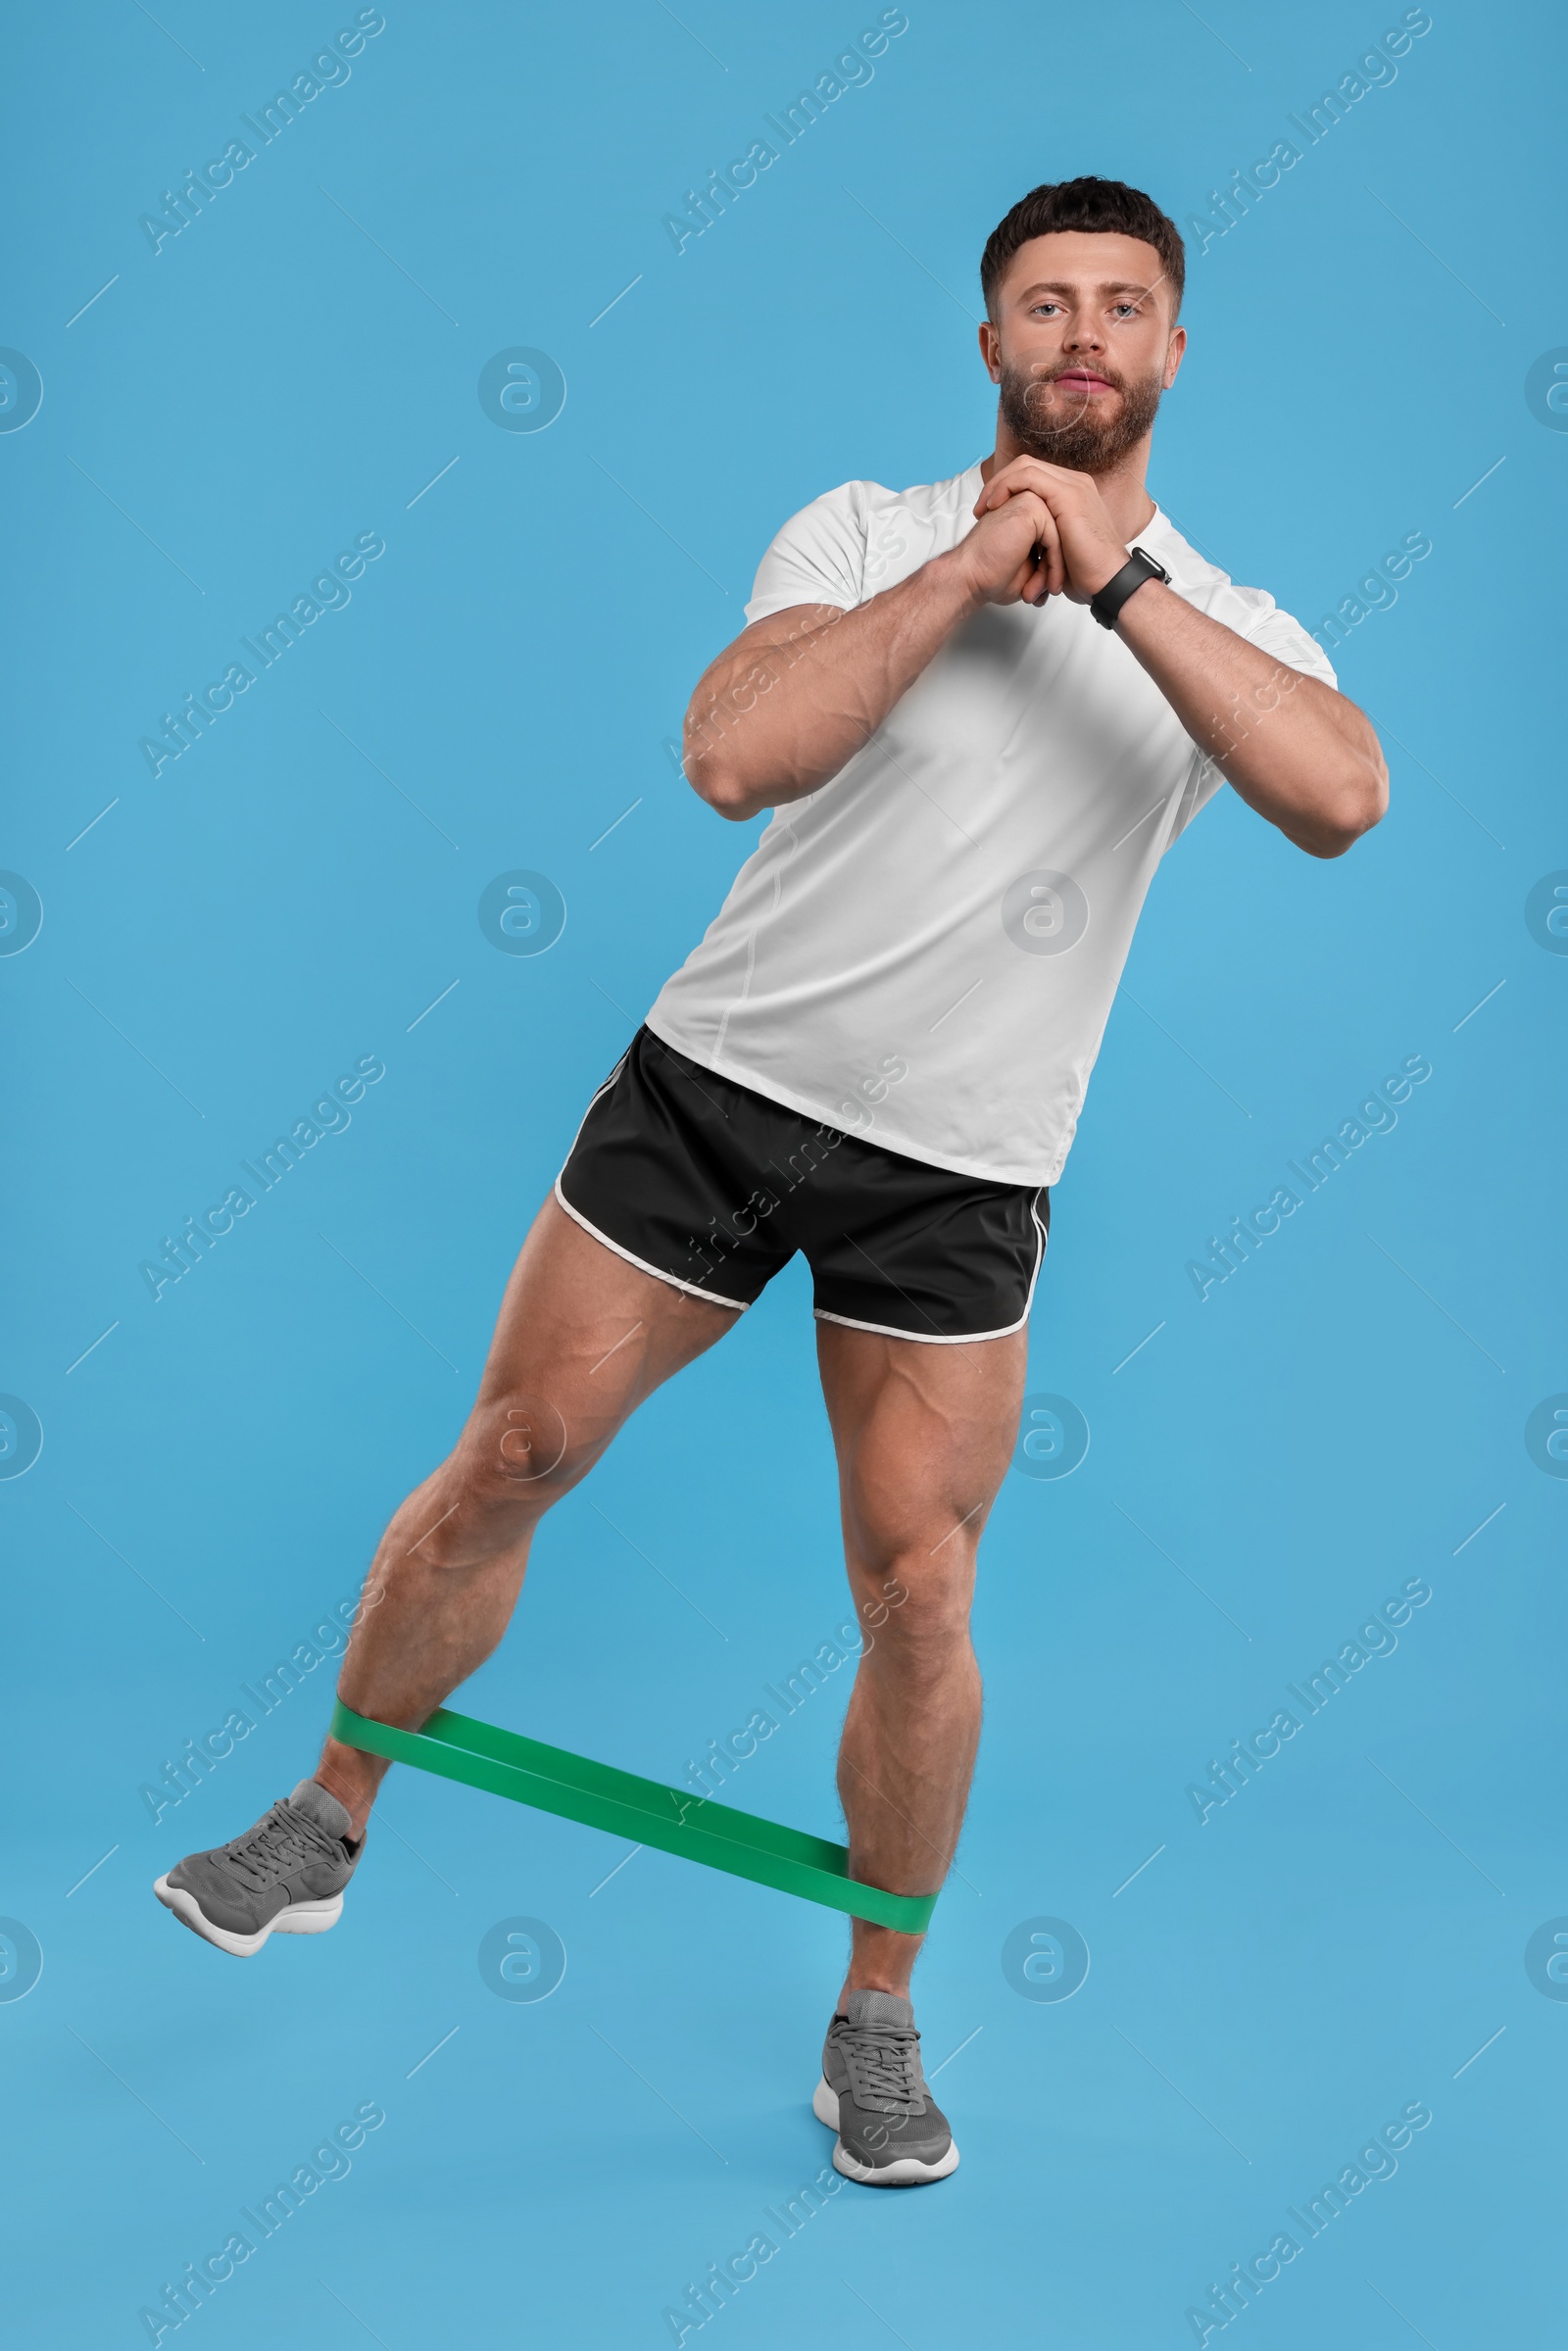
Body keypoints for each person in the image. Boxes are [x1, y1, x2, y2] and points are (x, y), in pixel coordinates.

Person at [155, 176, 1386, 2185]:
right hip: (716, 1092)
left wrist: (1115, 584)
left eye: (1121, 306)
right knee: (513, 1454)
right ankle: (322, 1821)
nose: (1081, 332)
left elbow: (1341, 797)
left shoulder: (1226, 625)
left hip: (958, 1172)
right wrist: (973, 576)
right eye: (1041, 304)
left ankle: (876, 2022)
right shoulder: (860, 531)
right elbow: (732, 756)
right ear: (987, 344)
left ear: (1171, 352)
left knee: (918, 1591)